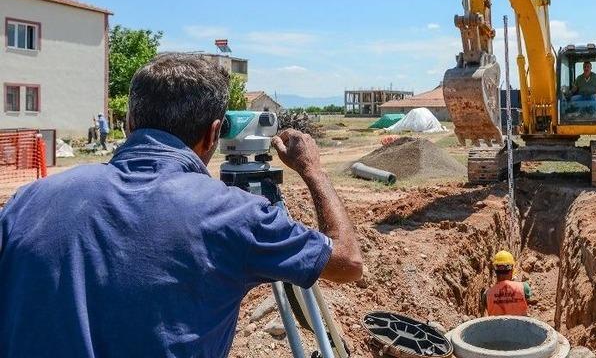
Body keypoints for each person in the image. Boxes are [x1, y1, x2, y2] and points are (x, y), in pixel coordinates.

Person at [0, 54, 363, 357]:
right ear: (214, 133)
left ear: (128, 124)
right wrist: (313, 171)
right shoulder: (233, 215)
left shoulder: (27, 202)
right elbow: (348, 263)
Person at [482, 250, 531, 316]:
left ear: (495, 271)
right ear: (512, 269)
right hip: (520, 323)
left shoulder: (486, 295)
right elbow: (527, 301)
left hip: (496, 323)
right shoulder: (524, 288)